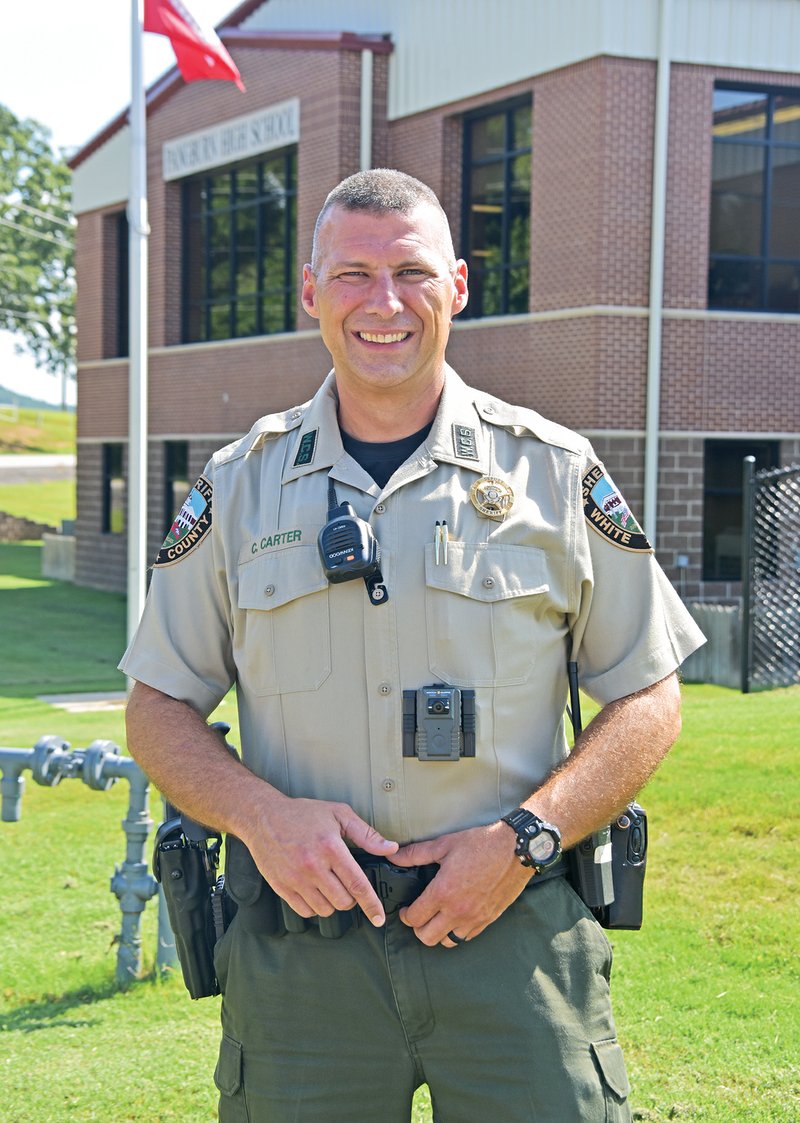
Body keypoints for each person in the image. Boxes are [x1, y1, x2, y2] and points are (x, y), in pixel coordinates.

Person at [122, 168, 705, 1122]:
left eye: (411, 272)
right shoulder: (240, 487)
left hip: (510, 931)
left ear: (459, 286)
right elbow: (157, 706)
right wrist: (262, 819)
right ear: (310, 292)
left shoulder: (552, 472)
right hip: (303, 951)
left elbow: (650, 694)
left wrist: (523, 840)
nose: (382, 302)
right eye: (351, 273)